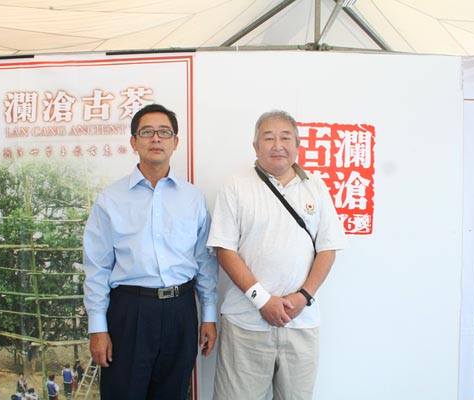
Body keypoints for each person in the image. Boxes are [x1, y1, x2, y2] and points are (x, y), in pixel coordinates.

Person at [207, 109, 349, 399]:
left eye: (285, 137)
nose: (277, 145)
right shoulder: (236, 185)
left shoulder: (316, 187)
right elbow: (224, 249)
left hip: (301, 322)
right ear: (255, 146)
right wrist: (262, 300)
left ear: (298, 145)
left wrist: (303, 297)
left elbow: (328, 248)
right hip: (246, 322)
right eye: (268, 138)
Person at [83, 103, 218, 399]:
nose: (156, 138)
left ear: (175, 142)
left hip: (181, 311)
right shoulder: (110, 199)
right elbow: (97, 267)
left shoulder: (193, 199)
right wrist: (98, 327)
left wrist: (209, 315)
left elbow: (205, 263)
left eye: (164, 132)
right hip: (129, 313)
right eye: (146, 132)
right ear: (134, 142)